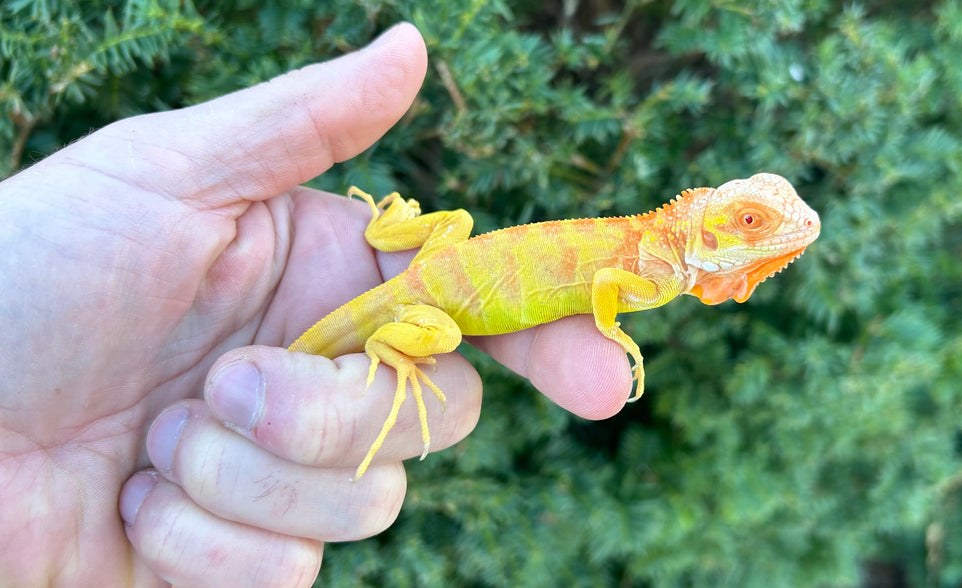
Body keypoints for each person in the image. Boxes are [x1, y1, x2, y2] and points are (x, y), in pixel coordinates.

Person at [0, 23, 632, 587]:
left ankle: (389, 232)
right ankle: (389, 340)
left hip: (434, 270)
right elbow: (605, 292)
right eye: (739, 222)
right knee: (434, 342)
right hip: (431, 306)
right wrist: (393, 350)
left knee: (455, 232)